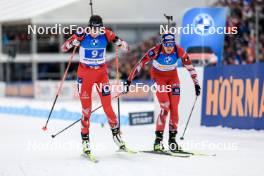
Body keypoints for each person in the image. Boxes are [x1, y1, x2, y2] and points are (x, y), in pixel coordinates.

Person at [61, 15, 129, 155]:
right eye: (93, 29)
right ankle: (85, 142)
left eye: (98, 29)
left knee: (108, 107)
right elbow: (64, 48)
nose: (95, 31)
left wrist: (121, 44)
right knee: (86, 110)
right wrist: (73, 42)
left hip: (101, 75)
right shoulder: (82, 34)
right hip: (85, 76)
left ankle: (117, 136)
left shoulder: (107, 34)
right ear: (89, 27)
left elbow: (125, 46)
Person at [124, 33, 201, 152]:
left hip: (173, 78)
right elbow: (140, 64)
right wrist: (129, 81)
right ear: (162, 44)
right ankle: (158, 141)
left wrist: (196, 83)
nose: (169, 48)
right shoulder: (155, 51)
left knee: (174, 108)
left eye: (171, 45)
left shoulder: (179, 50)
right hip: (158, 78)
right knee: (165, 107)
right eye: (167, 45)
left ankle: (172, 141)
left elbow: (189, 66)